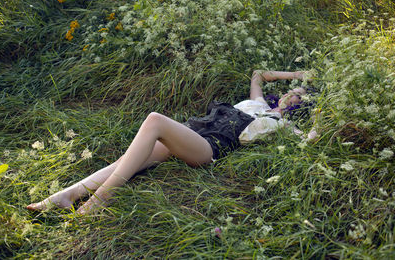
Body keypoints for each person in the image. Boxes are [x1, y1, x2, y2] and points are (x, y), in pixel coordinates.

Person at [27, 70, 318, 215]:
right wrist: (295, 74)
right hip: (193, 133)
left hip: (208, 149)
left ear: (298, 106)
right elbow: (258, 74)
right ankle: (68, 194)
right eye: (292, 89)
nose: (291, 91)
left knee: (155, 120)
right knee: (129, 160)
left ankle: (101, 198)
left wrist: (320, 114)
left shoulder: (284, 125)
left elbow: (311, 139)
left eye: (297, 93)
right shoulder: (257, 102)